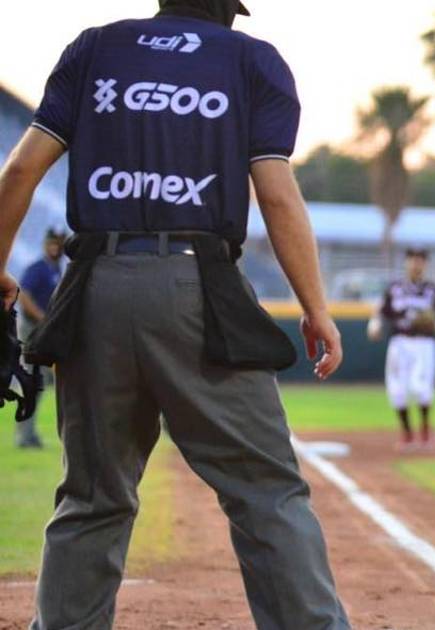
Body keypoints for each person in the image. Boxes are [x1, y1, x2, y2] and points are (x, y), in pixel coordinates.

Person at [0, 1, 352, 627]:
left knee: (92, 498)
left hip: (94, 287)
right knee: (265, 491)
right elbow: (275, 193)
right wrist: (315, 307)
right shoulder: (251, 60)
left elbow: (22, 169)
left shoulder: (94, 47)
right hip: (197, 286)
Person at [368, 247, 435, 450]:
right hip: (400, 342)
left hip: (424, 342)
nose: (416, 264)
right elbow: (381, 311)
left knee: (421, 388)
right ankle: (407, 433)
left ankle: (425, 431)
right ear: (406, 262)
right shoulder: (394, 288)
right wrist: (375, 324)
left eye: (420, 260)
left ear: (425, 264)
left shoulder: (434, 290)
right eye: (412, 259)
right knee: (397, 389)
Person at [12, 228, 65, 448]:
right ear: (45, 245)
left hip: (46, 330)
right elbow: (23, 295)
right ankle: (25, 436)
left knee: (40, 383)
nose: (55, 248)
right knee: (33, 381)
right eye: (51, 243)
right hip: (33, 329)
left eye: (58, 244)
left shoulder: (56, 269)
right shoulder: (38, 268)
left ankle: (29, 434)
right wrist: (43, 318)